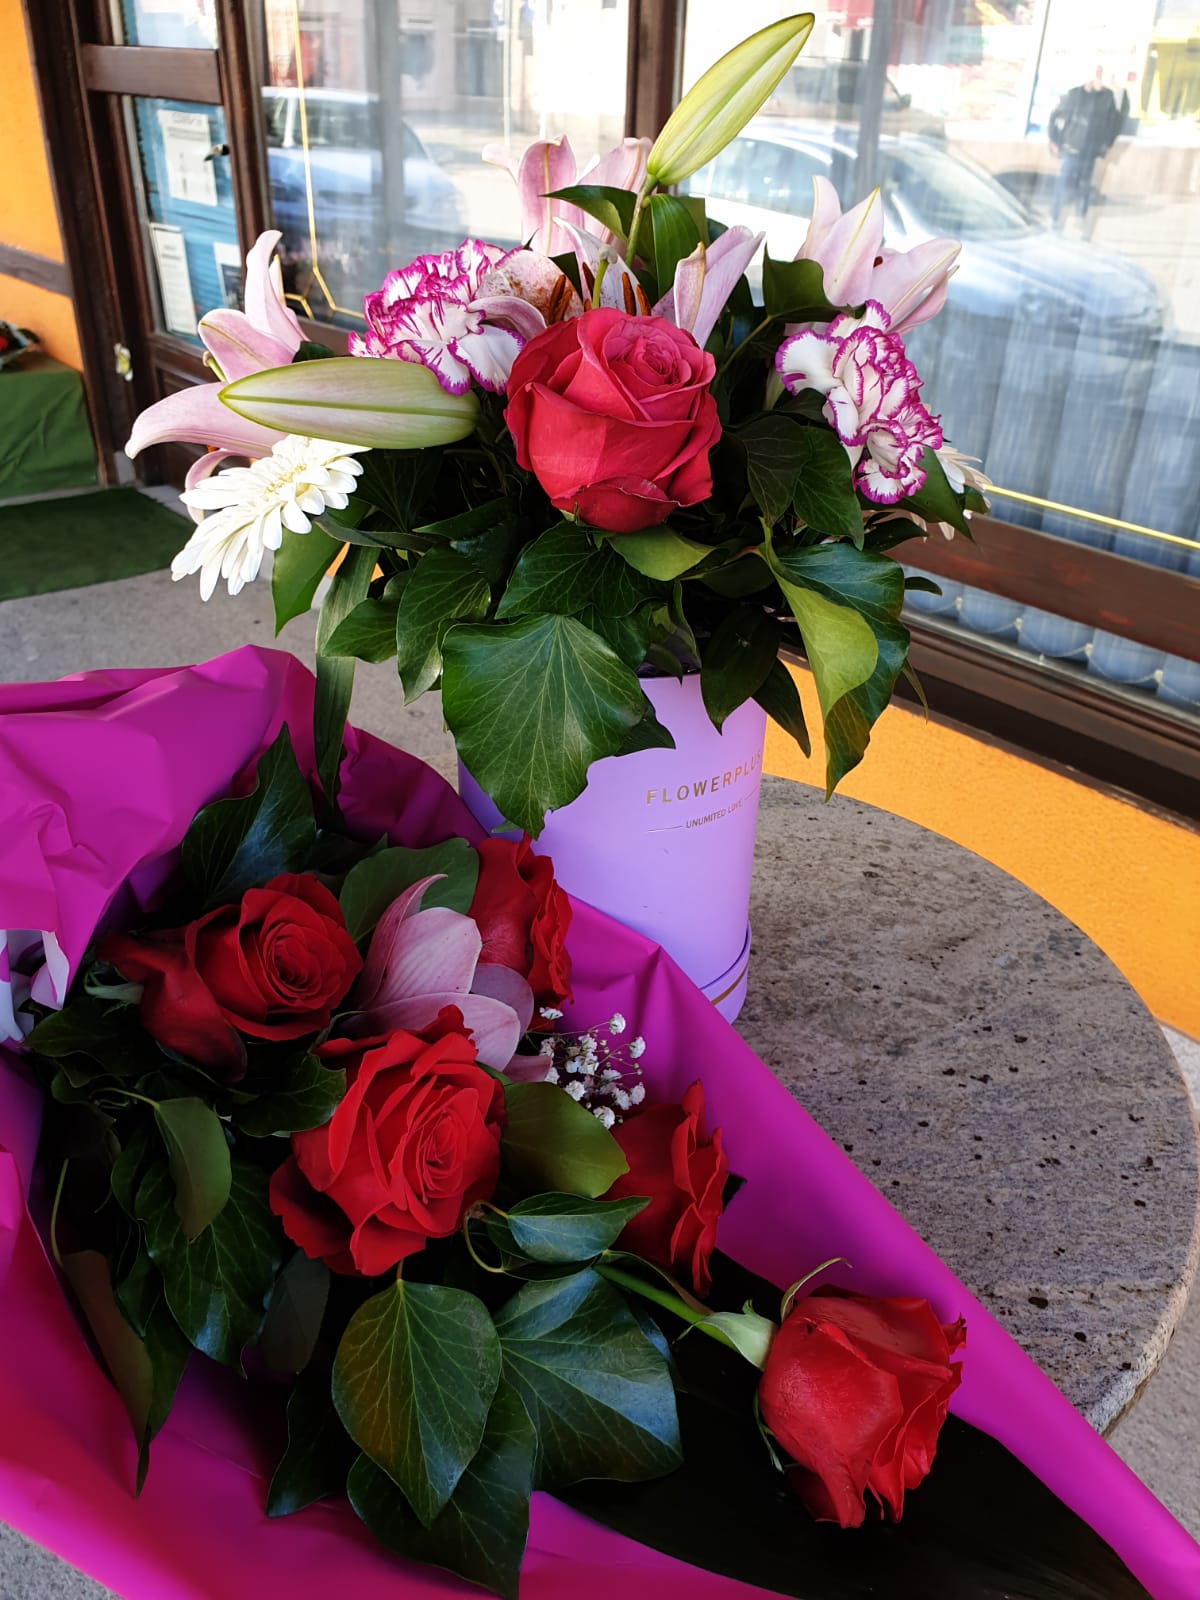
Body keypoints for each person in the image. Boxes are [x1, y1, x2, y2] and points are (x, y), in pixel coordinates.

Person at [1049, 67, 1126, 227]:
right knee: (1064, 184)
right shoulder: (1075, 94)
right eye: (1097, 75)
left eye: (1102, 76)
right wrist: (1054, 140)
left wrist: (1107, 143)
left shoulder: (1107, 97)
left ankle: (1080, 218)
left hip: (1090, 151)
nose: (1099, 79)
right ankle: (1056, 219)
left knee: (1085, 187)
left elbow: (1115, 122)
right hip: (1072, 148)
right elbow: (1055, 116)